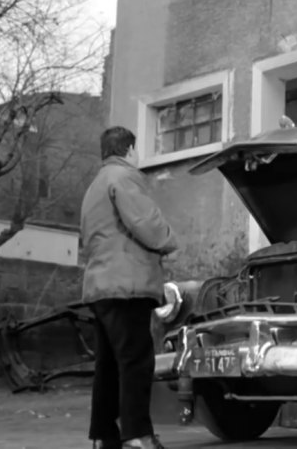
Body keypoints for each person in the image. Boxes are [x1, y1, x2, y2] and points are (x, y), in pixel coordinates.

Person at [81, 126, 179, 449]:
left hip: (101, 286)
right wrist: (169, 239)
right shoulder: (124, 178)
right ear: (130, 150)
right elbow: (147, 224)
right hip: (128, 286)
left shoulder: (95, 186)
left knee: (107, 366)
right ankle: (137, 436)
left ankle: (104, 437)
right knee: (136, 362)